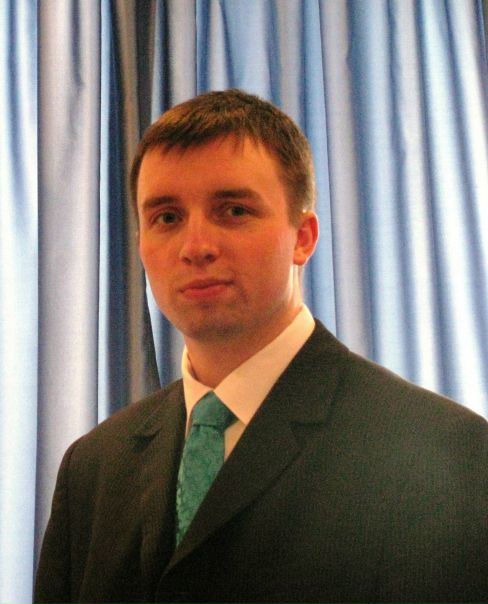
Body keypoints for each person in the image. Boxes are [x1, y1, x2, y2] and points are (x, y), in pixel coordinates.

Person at [35, 89, 488, 604]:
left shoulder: (445, 454)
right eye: (167, 217)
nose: (195, 247)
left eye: (233, 210)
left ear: (303, 237)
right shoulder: (93, 469)